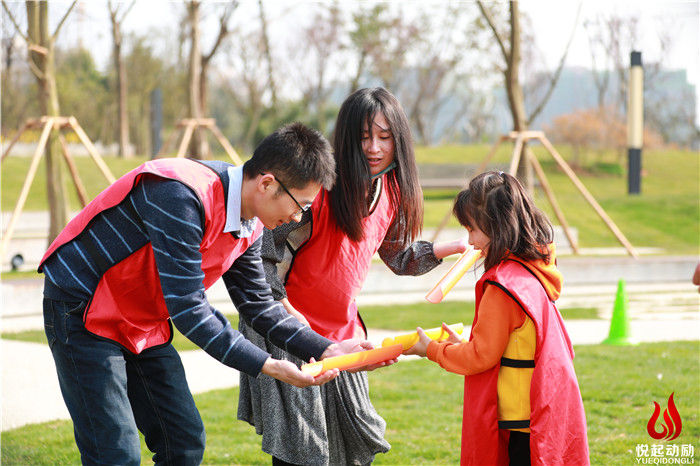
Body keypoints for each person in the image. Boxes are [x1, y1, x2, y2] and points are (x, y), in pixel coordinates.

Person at [39, 123, 371, 465]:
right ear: (267, 183)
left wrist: (327, 348)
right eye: (300, 205)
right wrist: (268, 365)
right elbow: (188, 309)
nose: (297, 217)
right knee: (115, 454)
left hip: (140, 319)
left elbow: (259, 305)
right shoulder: (180, 195)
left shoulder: (251, 223)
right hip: (81, 309)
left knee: (183, 442)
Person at [237, 87, 467, 465]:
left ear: (398, 140)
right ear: (346, 138)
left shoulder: (391, 190)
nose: (374, 148)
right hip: (290, 332)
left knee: (357, 442)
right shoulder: (317, 189)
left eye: (384, 137)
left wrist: (452, 247)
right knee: (303, 452)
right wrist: (283, 309)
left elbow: (399, 257)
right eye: (364, 137)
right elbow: (261, 255)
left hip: (344, 332)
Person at [406, 171, 590, 466]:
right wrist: (460, 346)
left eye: (472, 229)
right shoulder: (533, 270)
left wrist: (431, 349)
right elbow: (507, 344)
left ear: (498, 227)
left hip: (523, 424)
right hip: (547, 409)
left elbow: (480, 357)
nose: (469, 241)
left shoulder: (503, 287)